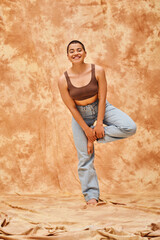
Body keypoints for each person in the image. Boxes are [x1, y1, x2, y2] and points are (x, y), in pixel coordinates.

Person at [58, 40, 137, 205]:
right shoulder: (63, 80)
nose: (76, 53)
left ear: (85, 53)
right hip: (80, 115)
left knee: (129, 127)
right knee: (84, 157)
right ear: (68, 56)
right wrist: (87, 130)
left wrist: (99, 125)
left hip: (102, 107)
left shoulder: (98, 71)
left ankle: (92, 136)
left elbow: (102, 98)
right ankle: (91, 197)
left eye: (79, 50)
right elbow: (72, 108)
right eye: (72, 51)